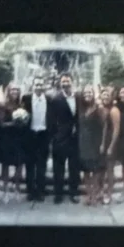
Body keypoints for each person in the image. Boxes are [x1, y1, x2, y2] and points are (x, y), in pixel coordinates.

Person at [47, 72, 79, 204]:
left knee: (74, 167)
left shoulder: (79, 97)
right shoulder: (55, 99)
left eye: (67, 81)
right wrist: (54, 136)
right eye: (63, 81)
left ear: (72, 82)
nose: (65, 84)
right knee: (58, 168)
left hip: (75, 139)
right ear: (60, 83)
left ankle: (73, 193)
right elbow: (50, 120)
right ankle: (58, 194)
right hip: (60, 139)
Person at [0, 83, 29, 196]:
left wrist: (24, 121)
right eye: (12, 90)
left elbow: (26, 120)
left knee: (19, 164)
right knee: (5, 164)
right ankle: (5, 189)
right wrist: (15, 122)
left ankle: (17, 187)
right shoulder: (2, 105)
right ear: (8, 91)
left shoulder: (22, 104)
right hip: (7, 139)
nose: (15, 92)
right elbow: (1, 124)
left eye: (17, 90)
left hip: (19, 139)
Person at [77, 83, 106, 206]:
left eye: (89, 92)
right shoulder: (82, 108)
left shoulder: (98, 108)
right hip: (83, 143)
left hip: (95, 142)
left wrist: (103, 143)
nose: (87, 94)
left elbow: (105, 126)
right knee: (86, 171)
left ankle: (94, 195)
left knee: (96, 171)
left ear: (93, 94)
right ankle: (88, 194)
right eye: (85, 93)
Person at [23, 71, 50, 201]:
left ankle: (40, 191)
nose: (39, 87)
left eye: (41, 84)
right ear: (32, 86)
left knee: (41, 165)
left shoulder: (49, 99)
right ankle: (30, 191)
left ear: (44, 86)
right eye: (36, 84)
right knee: (30, 165)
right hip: (30, 135)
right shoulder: (26, 98)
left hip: (44, 135)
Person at [99, 85, 120, 205]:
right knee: (101, 169)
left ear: (111, 97)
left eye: (108, 95)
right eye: (103, 95)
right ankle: (101, 190)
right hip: (102, 142)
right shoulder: (102, 108)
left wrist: (111, 146)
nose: (105, 97)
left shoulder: (114, 110)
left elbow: (116, 130)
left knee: (110, 170)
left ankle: (109, 193)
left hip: (110, 143)